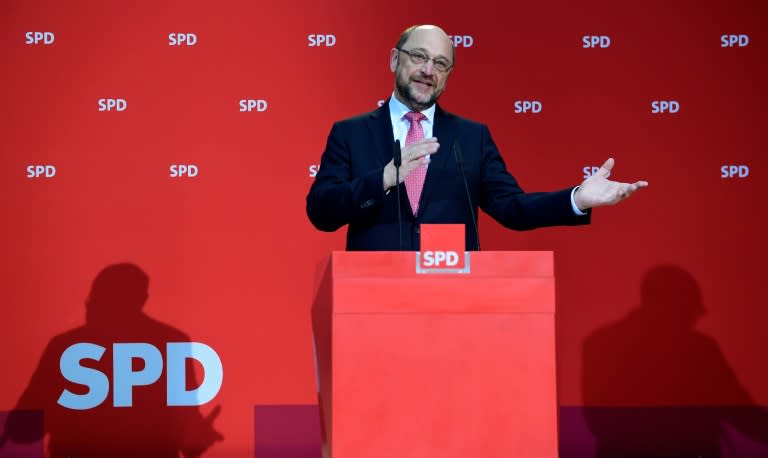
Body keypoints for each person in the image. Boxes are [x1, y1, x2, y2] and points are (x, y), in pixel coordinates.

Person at [306, 24, 647, 251]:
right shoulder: (350, 133)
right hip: (370, 302)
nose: (428, 70)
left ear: (448, 76)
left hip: (455, 303)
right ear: (396, 59)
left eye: (440, 63)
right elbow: (321, 212)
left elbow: (512, 208)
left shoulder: (471, 138)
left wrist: (577, 199)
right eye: (419, 57)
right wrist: (382, 179)